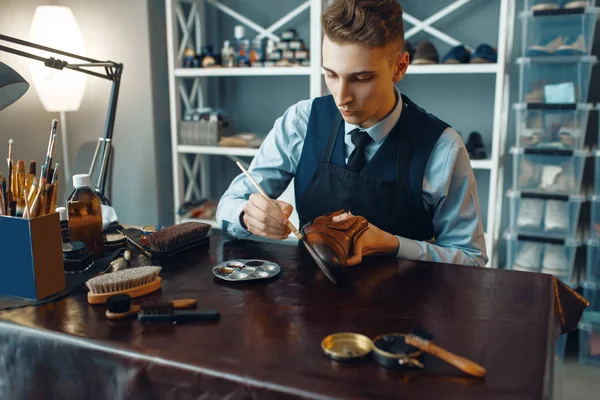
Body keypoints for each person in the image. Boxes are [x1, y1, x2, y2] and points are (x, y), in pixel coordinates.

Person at [216, 0, 488, 267]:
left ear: (400, 67)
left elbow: (470, 257)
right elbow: (230, 204)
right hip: (309, 300)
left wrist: (392, 244)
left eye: (361, 78)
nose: (341, 97)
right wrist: (247, 216)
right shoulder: (301, 122)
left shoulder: (443, 148)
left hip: (405, 307)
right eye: (331, 75)